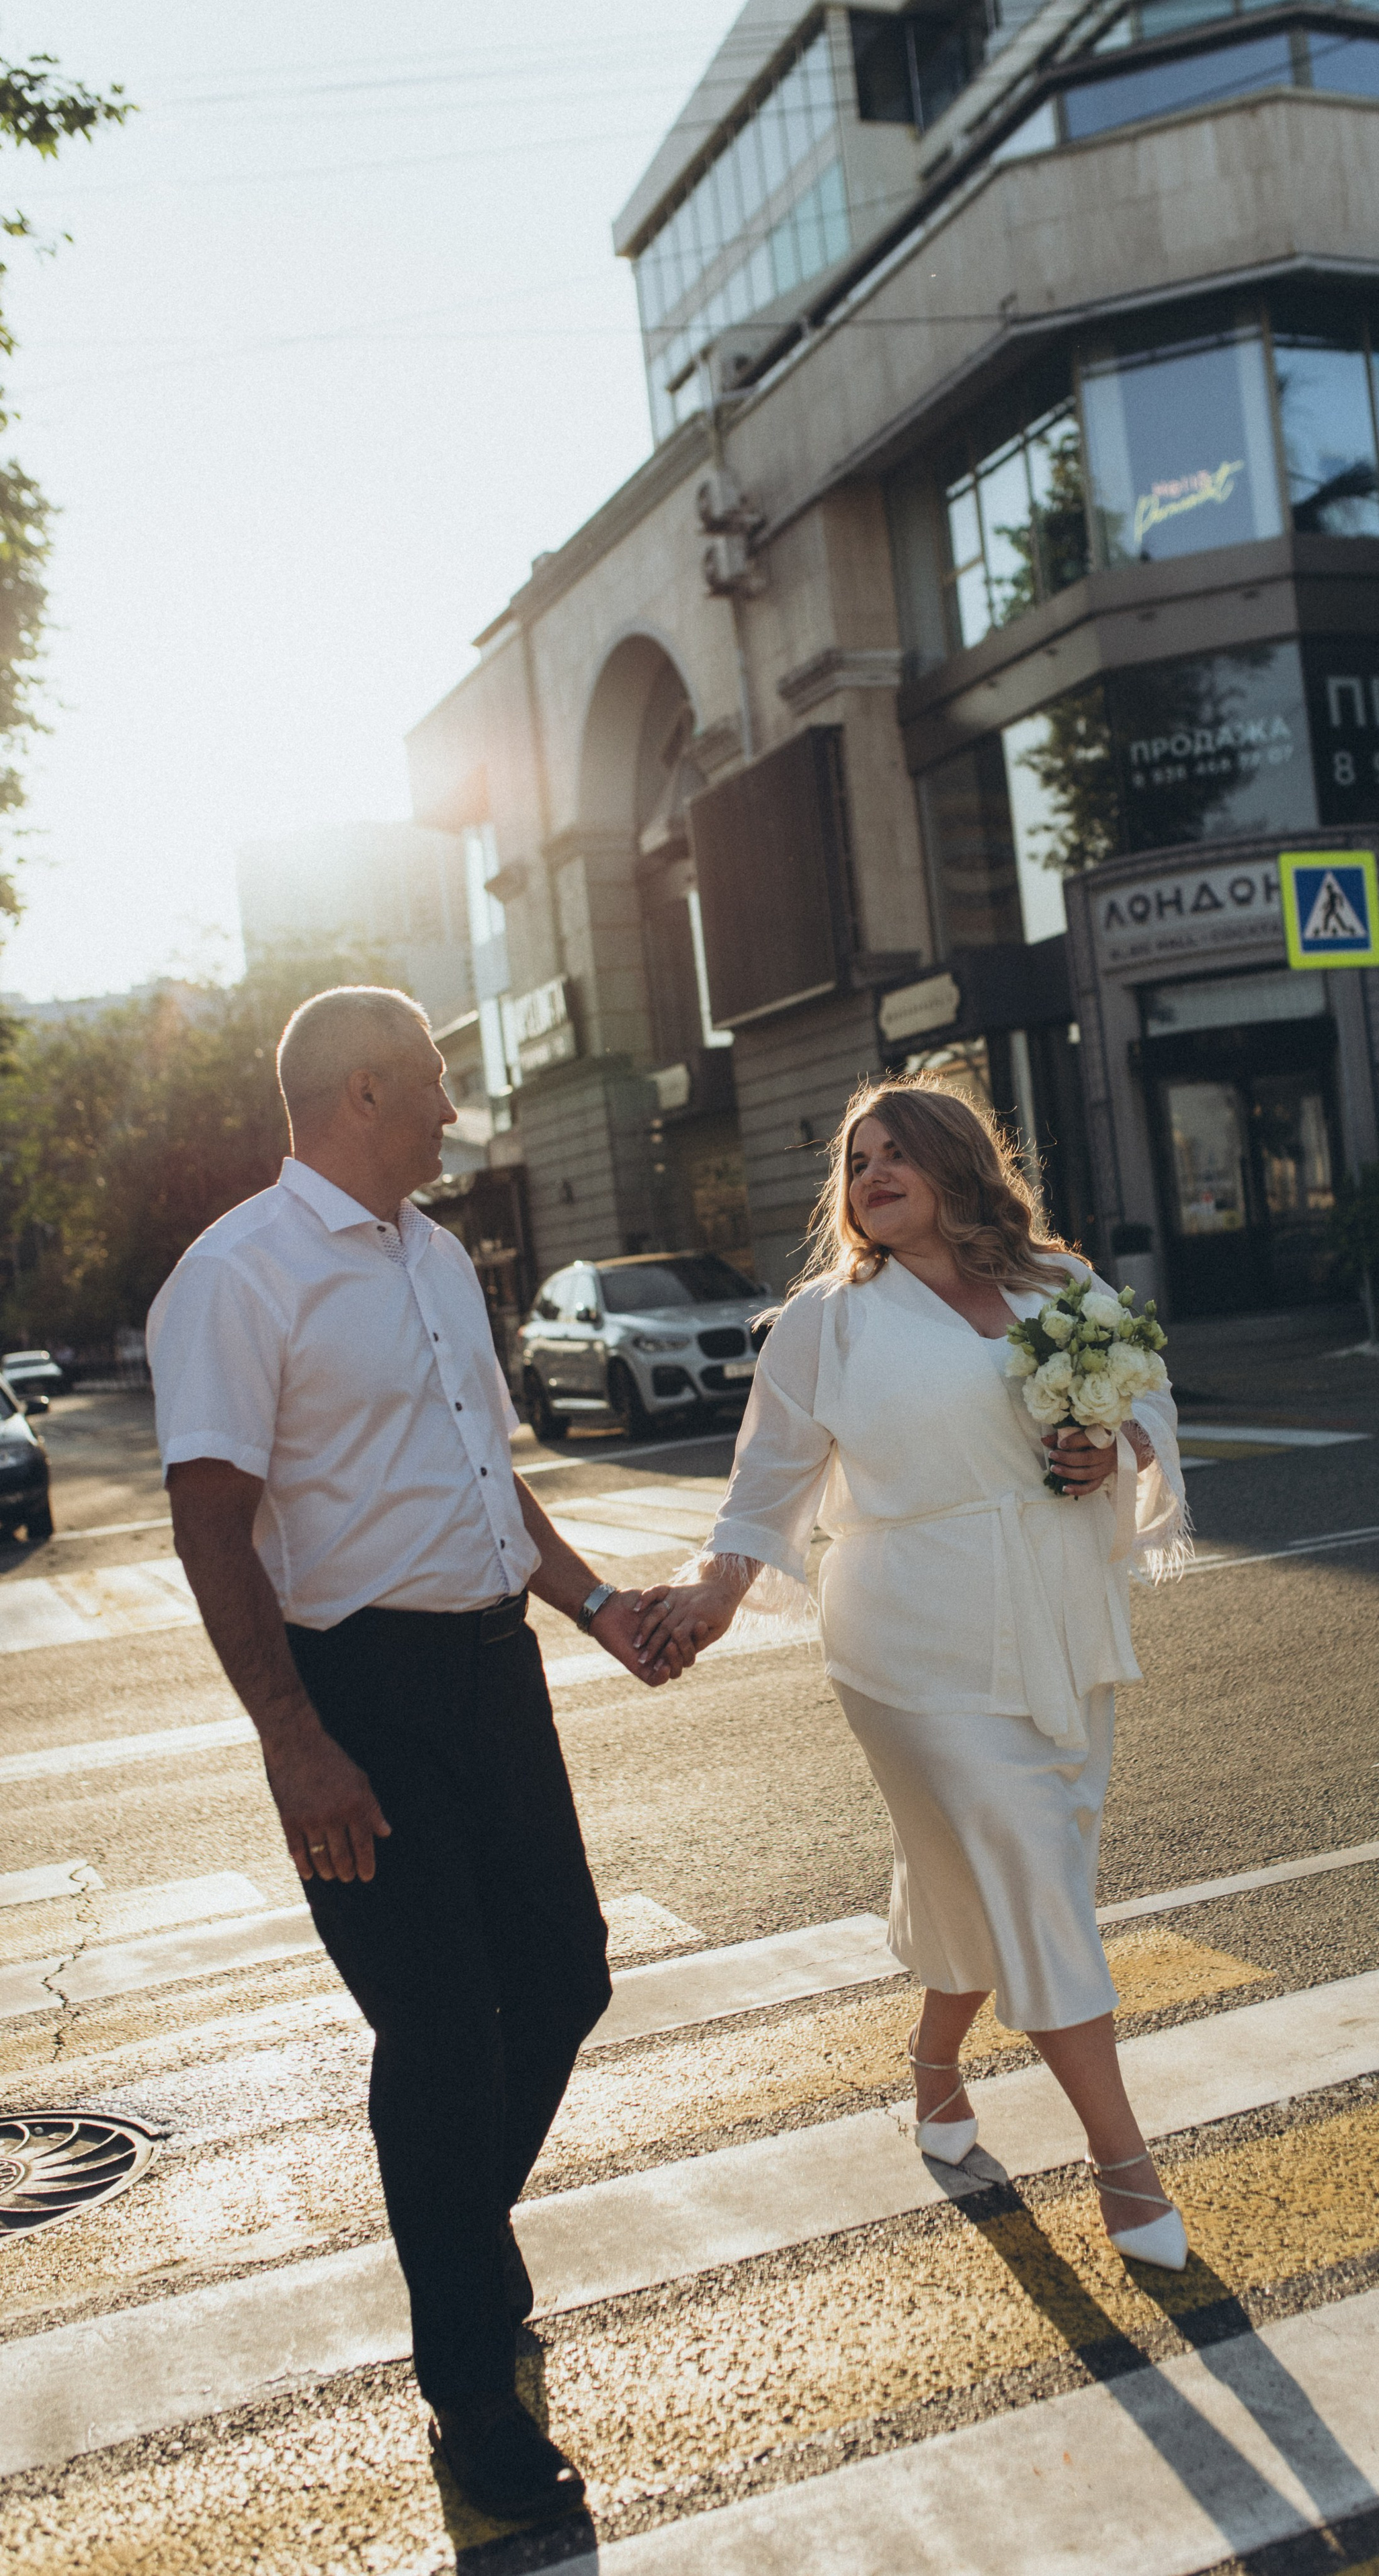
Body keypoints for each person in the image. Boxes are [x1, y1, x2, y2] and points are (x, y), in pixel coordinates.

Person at [147, 985, 683, 2526]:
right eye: (440, 1083)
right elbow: (206, 1523)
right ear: (367, 1091)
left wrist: (593, 1609)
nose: (458, 1106)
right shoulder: (238, 1276)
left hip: (491, 1675)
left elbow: (479, 1476)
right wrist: (294, 1742)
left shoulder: (437, 1259)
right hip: (355, 1694)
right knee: (444, 2037)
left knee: (565, 1978)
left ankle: (454, 2245)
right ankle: (469, 2390)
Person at [633, 1078, 1192, 2269]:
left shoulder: (1060, 1286)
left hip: (1056, 1616)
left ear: (956, 1163)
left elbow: (1150, 1408)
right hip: (910, 1636)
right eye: (856, 1161)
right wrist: (713, 1595)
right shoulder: (825, 1324)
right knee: (1031, 1865)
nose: (872, 1175)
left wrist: (1111, 1451)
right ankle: (1124, 2164)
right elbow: (765, 1486)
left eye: (897, 1153)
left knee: (990, 1869)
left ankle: (936, 2064)